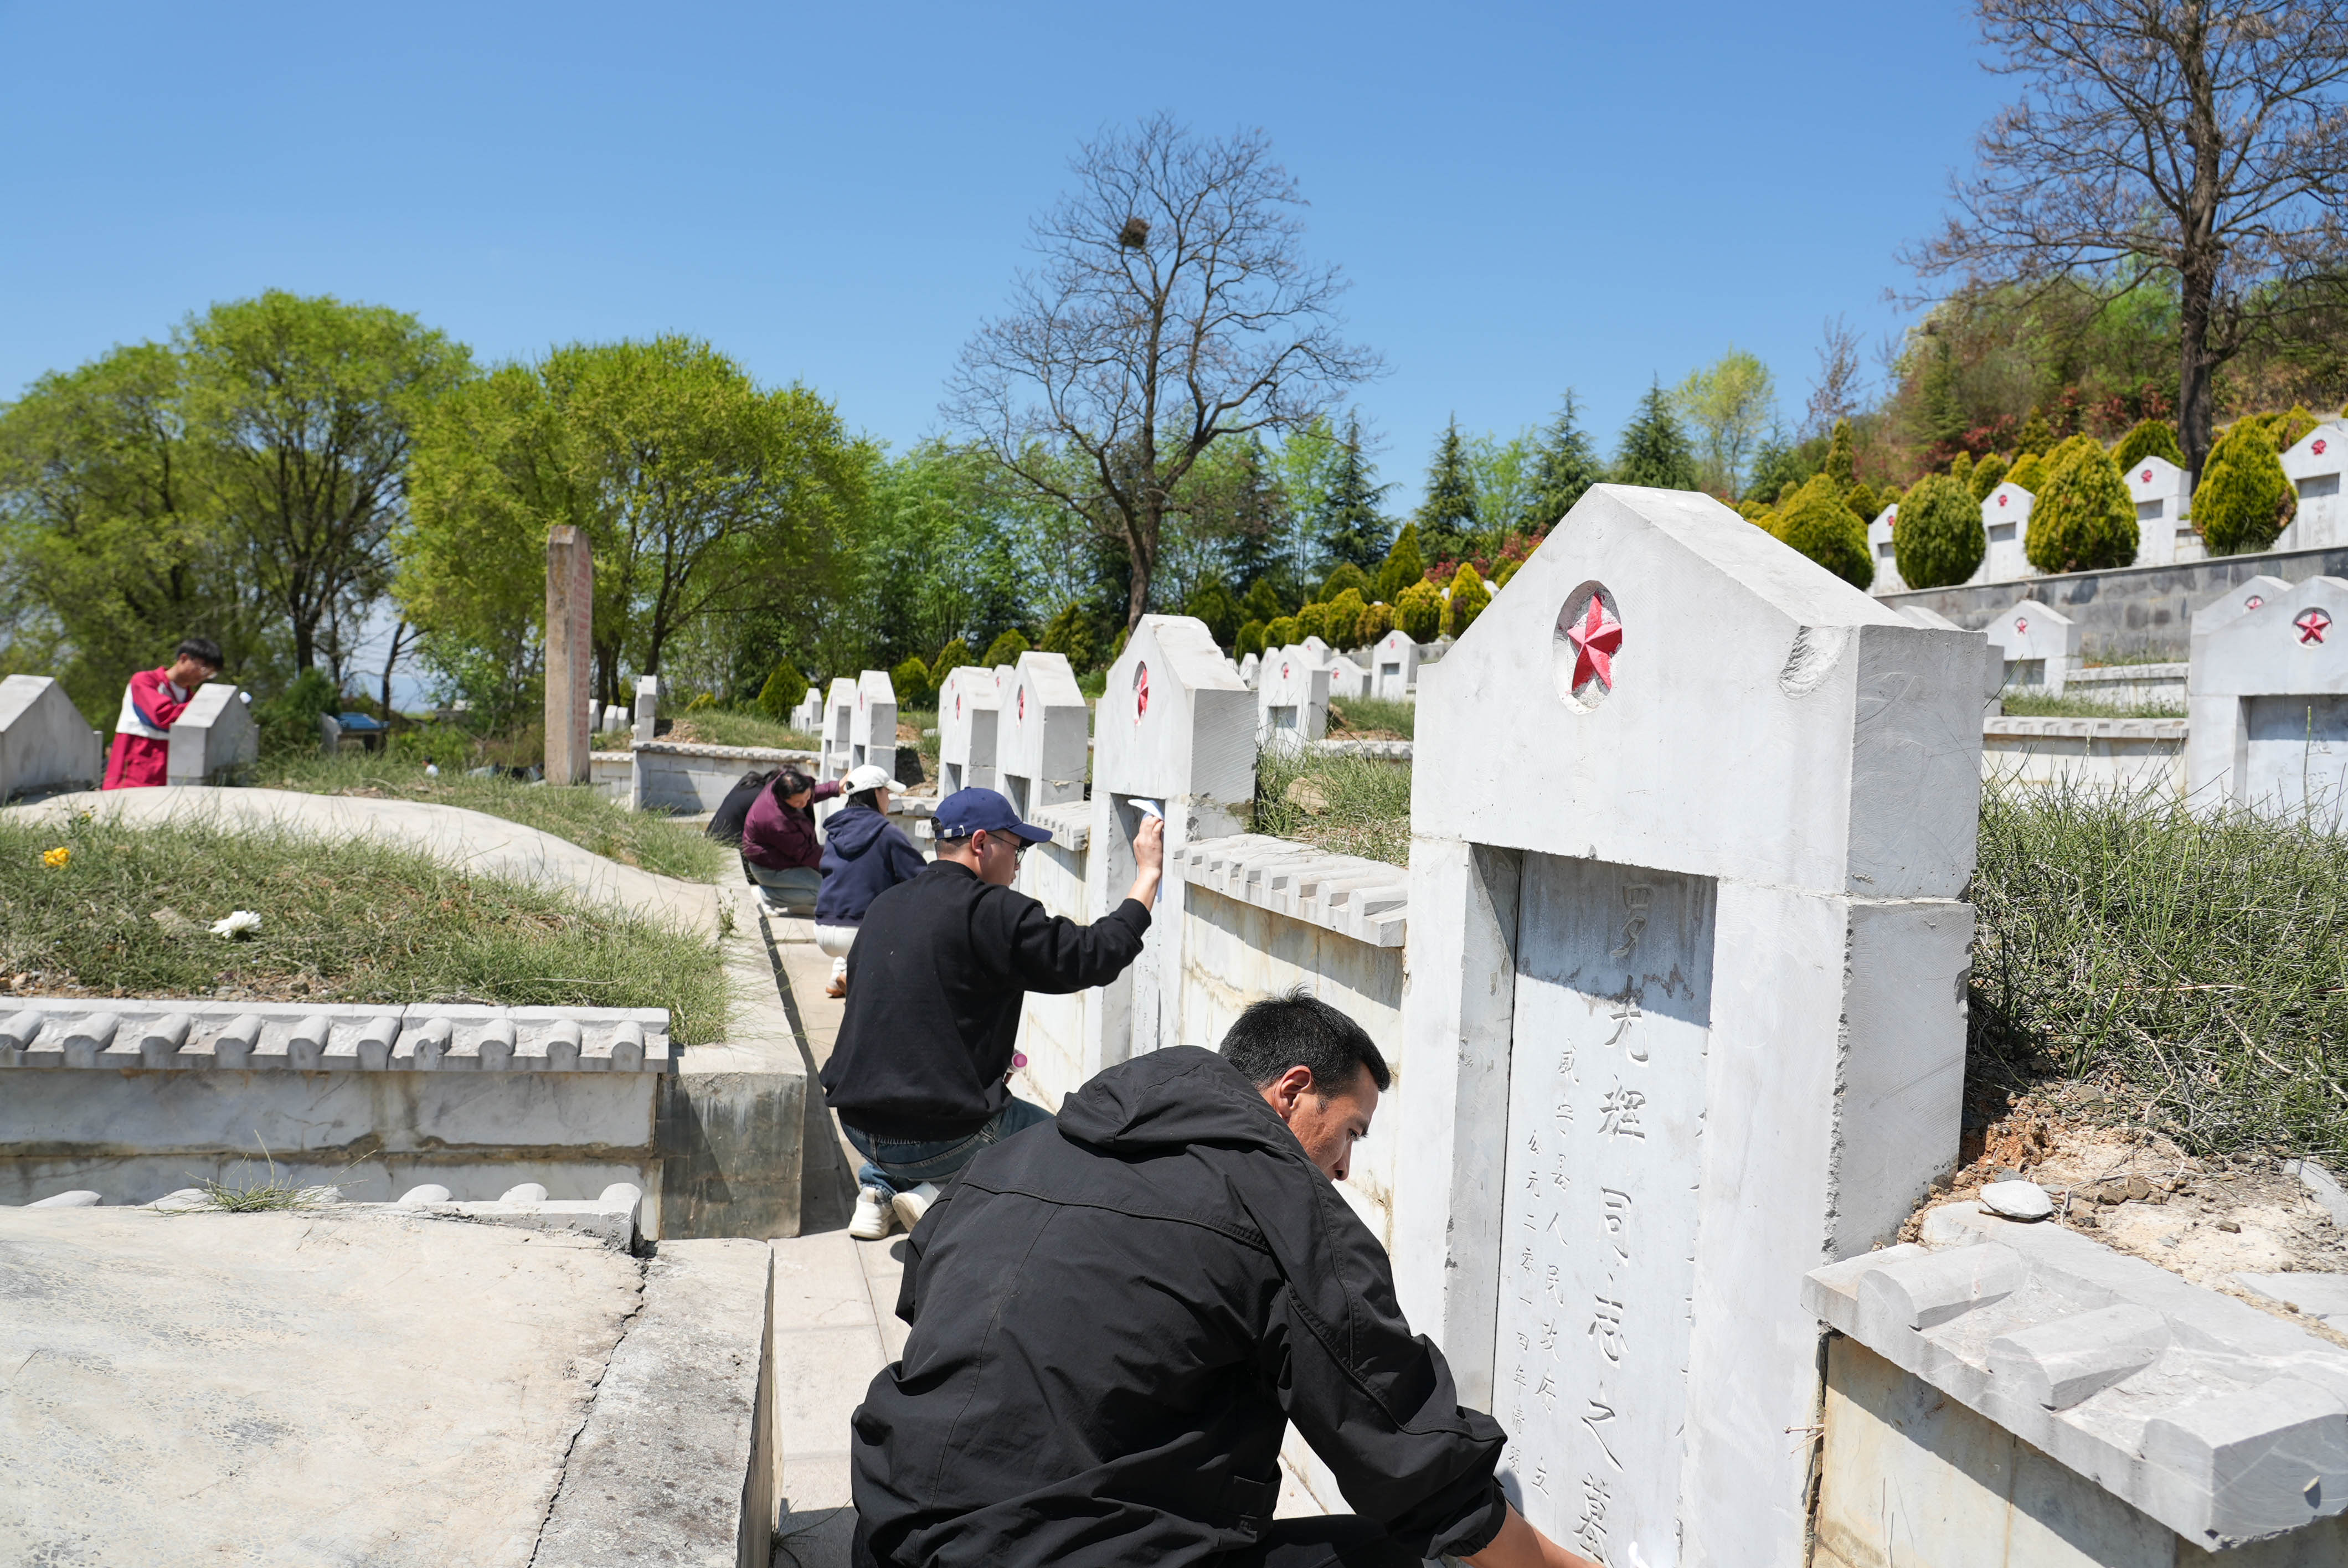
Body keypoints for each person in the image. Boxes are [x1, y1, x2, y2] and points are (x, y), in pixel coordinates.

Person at [847, 991, 1600, 1568]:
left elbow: (924, 1294)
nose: (1345, 1167)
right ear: (1292, 1091)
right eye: (1350, 1132)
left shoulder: (1019, 1155)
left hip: (889, 1528)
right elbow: (1402, 1445)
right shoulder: (1283, 1207)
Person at [819, 785, 1163, 1241]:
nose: (1018, 866)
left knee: (929, 1096)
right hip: (940, 1138)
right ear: (981, 843)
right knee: (1075, 1149)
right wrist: (1147, 875)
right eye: (1017, 850)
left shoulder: (886, 904)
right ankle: (943, 1195)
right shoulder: (995, 910)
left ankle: (880, 1190)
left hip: (859, 1129)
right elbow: (1094, 955)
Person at [814, 762, 926, 1000]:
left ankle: (838, 977)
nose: (889, 799)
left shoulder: (834, 832)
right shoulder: (888, 833)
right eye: (887, 792)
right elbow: (920, 877)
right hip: (858, 931)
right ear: (875, 793)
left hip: (823, 928)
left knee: (857, 914)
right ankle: (856, 977)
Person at [101, 637, 222, 791]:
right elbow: (163, 716)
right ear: (184, 658)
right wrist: (207, 704)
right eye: (204, 669)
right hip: (134, 765)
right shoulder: (145, 681)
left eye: (211, 674)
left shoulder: (191, 698)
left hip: (168, 769)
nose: (204, 676)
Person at [738, 765, 838, 914]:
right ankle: (766, 896)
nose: (804, 804)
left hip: (786, 859)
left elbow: (809, 794)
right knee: (824, 892)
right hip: (769, 868)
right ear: (784, 799)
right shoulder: (776, 821)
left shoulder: (784, 784)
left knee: (828, 885)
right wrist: (838, 861)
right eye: (798, 803)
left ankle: (798, 903)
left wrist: (837, 788)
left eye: (807, 797)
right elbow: (806, 854)